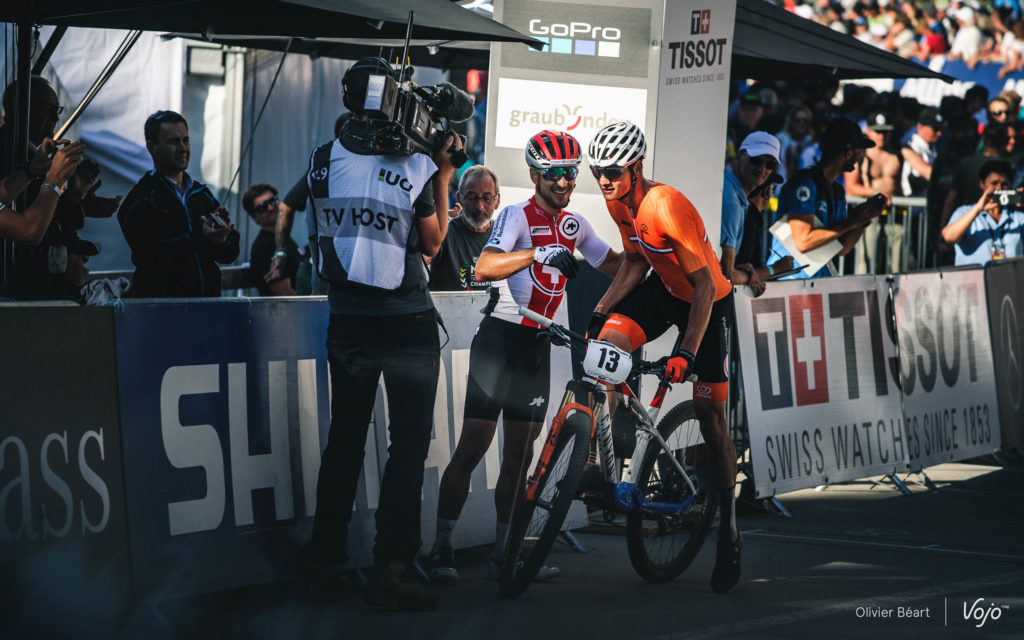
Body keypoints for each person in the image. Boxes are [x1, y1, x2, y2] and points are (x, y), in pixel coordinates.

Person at [301, 57, 462, 611]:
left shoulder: (322, 158)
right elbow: (434, 244)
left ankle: (326, 561)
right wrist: (442, 174)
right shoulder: (417, 166)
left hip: (347, 318)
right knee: (408, 444)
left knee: (344, 440)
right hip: (404, 318)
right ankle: (393, 566)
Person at [428, 130, 620, 584]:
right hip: (499, 342)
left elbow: (617, 266)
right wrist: (537, 254)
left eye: (570, 172)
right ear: (535, 175)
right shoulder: (515, 215)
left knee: (520, 456)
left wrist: (655, 251)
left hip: (536, 348)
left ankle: (505, 552)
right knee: (474, 446)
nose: (563, 181)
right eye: (554, 173)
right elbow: (484, 267)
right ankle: (441, 548)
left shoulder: (576, 224)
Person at [584, 121, 740, 594]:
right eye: (596, 170)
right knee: (605, 349)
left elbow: (705, 286)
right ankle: (597, 459)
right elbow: (635, 261)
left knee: (712, 420)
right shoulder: (617, 201)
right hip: (663, 292)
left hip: (707, 304)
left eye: (613, 170)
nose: (603, 178)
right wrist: (601, 309)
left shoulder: (665, 205)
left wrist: (686, 352)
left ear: (635, 167)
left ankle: (729, 528)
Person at [117, 110, 239, 297]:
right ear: (152, 147)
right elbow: (150, 256)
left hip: (208, 308)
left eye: (185, 140)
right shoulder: (140, 200)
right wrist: (201, 236)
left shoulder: (201, 194)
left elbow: (230, 254)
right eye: (174, 141)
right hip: (162, 309)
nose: (183, 148)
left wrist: (221, 239)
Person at [771, 118, 886, 279]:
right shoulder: (804, 185)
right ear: (848, 153)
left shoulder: (837, 191)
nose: (861, 155)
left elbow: (842, 248)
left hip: (816, 281)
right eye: (860, 150)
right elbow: (803, 241)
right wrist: (851, 222)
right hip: (791, 280)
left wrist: (863, 219)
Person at [719, 131, 792, 295]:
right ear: (739, 156)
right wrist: (752, 276)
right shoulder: (731, 202)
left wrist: (745, 270)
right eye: (756, 161)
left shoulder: (736, 196)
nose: (762, 169)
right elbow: (727, 274)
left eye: (770, 165)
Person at [427, 165, 500, 292]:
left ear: (497, 201)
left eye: (486, 198)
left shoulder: (505, 237)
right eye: (471, 198)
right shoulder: (445, 232)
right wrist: (432, 221)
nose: (479, 207)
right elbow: (420, 259)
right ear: (459, 198)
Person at [844, 111, 902, 273]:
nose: (882, 136)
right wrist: (876, 193)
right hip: (869, 218)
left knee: (896, 268)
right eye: (878, 131)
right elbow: (851, 186)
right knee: (867, 267)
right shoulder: (861, 155)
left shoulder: (899, 152)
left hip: (895, 217)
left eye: (885, 132)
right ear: (868, 131)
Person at [941, 160, 1024, 265]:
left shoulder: (1017, 217)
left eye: (1004, 184)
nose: (999, 188)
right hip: (974, 275)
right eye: (994, 183)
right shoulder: (964, 212)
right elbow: (949, 237)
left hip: (1008, 275)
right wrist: (977, 210)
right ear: (982, 184)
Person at [0, 230, 97, 303]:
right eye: (81, 257)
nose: (85, 261)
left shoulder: (12, 290)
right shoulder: (64, 305)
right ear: (58, 259)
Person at [242, 182, 298, 296]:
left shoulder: (282, 238)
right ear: (254, 217)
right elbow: (287, 296)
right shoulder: (263, 247)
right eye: (262, 207)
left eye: (272, 201)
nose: (271, 208)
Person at [900, 107, 943, 197]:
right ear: (921, 127)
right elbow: (921, 177)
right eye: (935, 129)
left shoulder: (933, 146)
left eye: (940, 129)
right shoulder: (911, 145)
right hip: (911, 201)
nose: (939, 133)